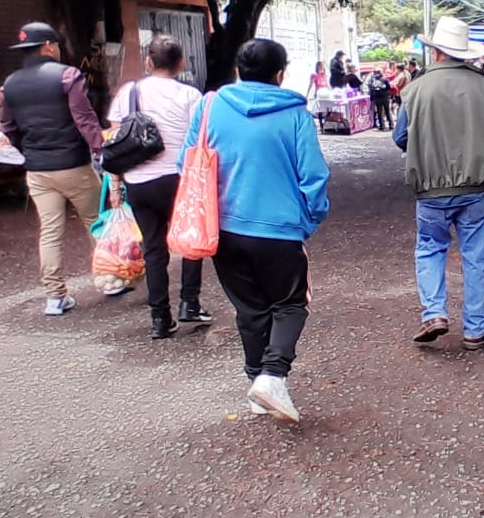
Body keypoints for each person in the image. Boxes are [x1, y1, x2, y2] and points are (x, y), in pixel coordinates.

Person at [181, 39, 330, 423]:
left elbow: (188, 161)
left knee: (250, 308)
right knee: (291, 304)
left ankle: (256, 385)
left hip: (223, 228)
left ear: (238, 70)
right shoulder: (296, 114)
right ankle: (273, 376)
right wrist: (310, 219)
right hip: (280, 229)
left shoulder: (209, 106)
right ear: (279, 74)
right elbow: (313, 176)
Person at [392, 17, 484, 351]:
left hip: (430, 189)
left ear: (435, 50)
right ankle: (475, 329)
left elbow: (400, 137)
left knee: (430, 248)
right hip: (477, 188)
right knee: (476, 255)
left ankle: (434, 312)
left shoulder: (414, 89)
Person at [106, 36, 211, 340]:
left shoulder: (129, 92)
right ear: (181, 63)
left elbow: (115, 138)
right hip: (179, 180)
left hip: (138, 181)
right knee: (191, 241)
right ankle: (189, 303)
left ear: (149, 62)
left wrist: (115, 182)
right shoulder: (191, 95)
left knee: (154, 249)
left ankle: (159, 320)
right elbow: (200, 140)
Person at [0, 22, 105, 316]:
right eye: (56, 45)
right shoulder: (67, 76)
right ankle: (113, 278)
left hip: (38, 170)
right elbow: (84, 119)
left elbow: (7, 127)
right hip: (74, 165)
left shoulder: (9, 84)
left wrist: (28, 152)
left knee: (50, 232)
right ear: (48, 46)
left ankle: (55, 297)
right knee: (96, 222)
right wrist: (100, 150)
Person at [366, 66, 395, 130]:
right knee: (382, 111)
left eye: (377, 72)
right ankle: (386, 125)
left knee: (383, 111)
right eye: (376, 72)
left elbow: (388, 88)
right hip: (381, 97)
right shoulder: (376, 79)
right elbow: (388, 88)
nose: (376, 74)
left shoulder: (382, 79)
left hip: (381, 97)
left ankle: (387, 125)